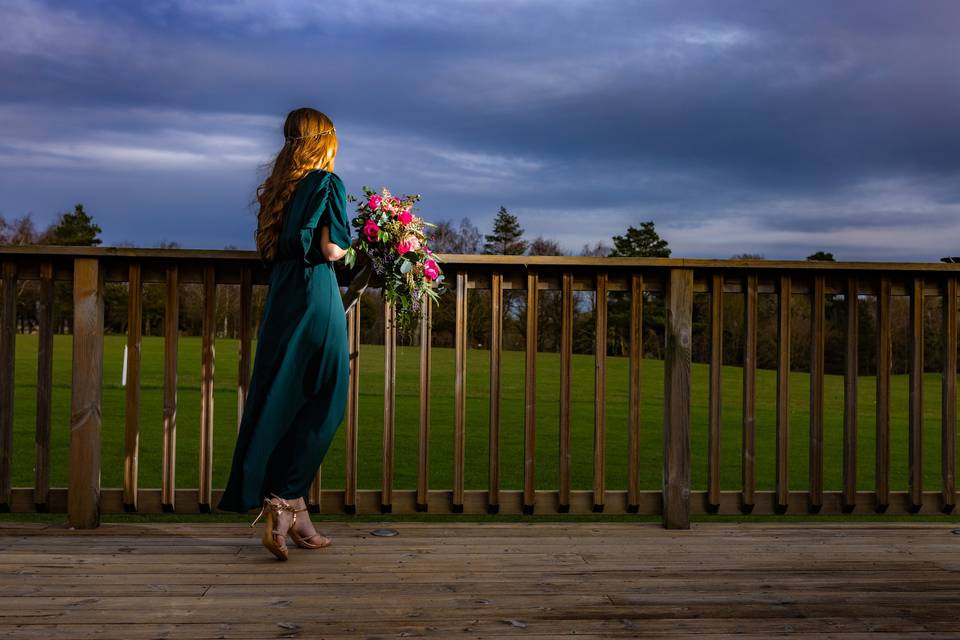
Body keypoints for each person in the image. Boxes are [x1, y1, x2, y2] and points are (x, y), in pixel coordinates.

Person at [217, 107, 354, 561]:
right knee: (327, 398)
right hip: (316, 296)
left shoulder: (280, 187)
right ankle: (282, 503)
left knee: (284, 397)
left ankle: (295, 512)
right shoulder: (327, 183)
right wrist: (366, 247)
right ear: (325, 139)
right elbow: (331, 248)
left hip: (283, 299)